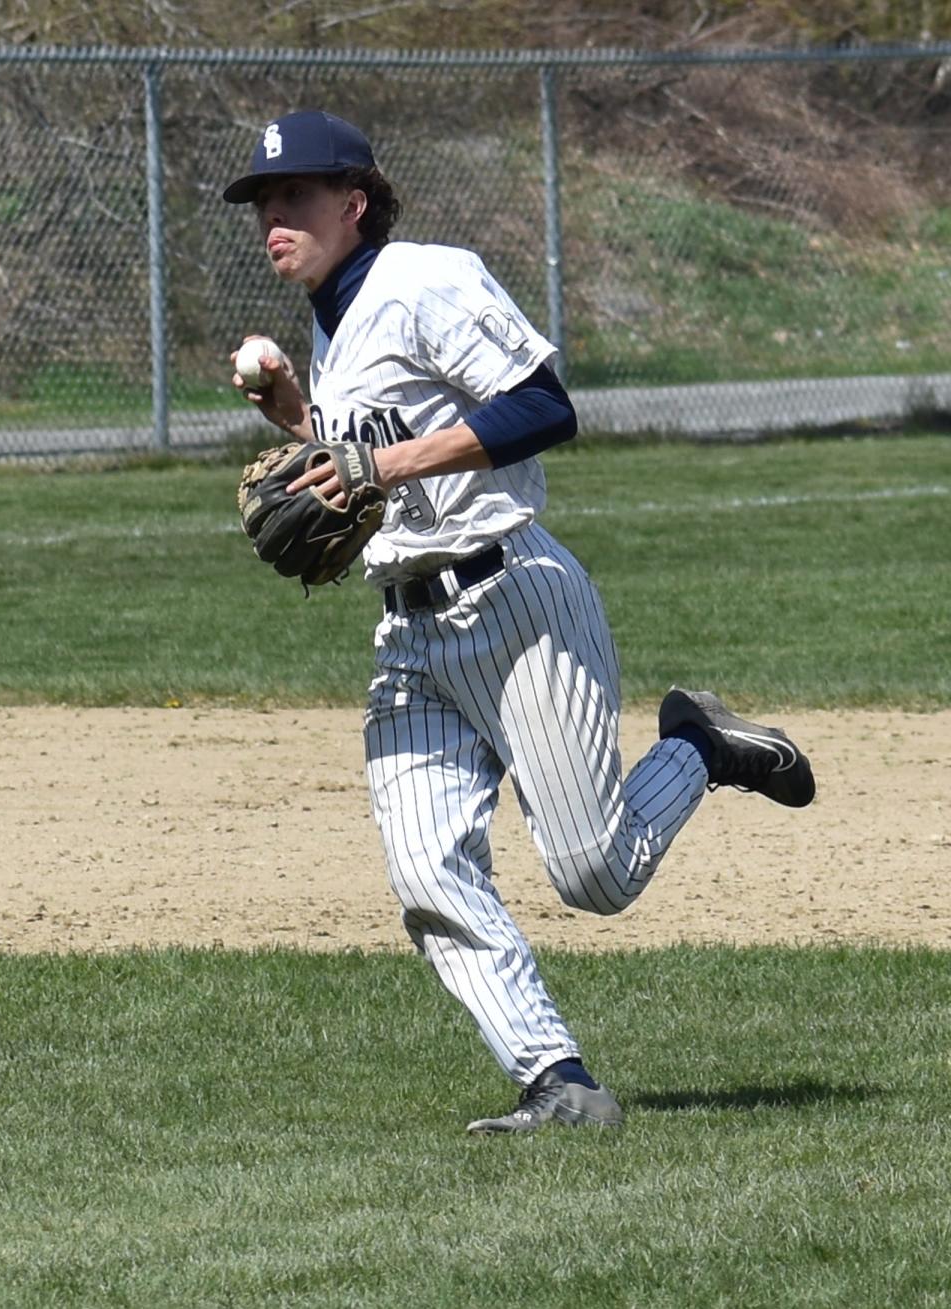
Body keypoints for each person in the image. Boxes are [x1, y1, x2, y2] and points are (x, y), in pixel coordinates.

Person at [223, 110, 815, 1134]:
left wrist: (382, 463)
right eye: (263, 202)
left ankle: (700, 748)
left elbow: (542, 407)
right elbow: (366, 458)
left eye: (296, 196)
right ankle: (559, 1080)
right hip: (409, 634)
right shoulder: (332, 315)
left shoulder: (424, 279)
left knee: (596, 873)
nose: (274, 215)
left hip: (514, 600)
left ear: (352, 204)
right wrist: (293, 413)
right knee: (425, 871)